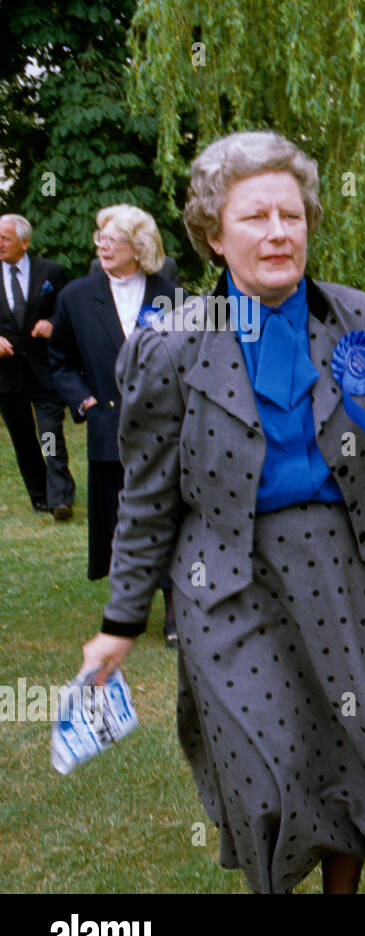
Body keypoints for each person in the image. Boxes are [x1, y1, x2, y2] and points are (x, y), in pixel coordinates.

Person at [78, 130, 365, 893]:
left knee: (357, 746)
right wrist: (121, 623)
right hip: (227, 576)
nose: (277, 232)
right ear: (213, 235)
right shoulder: (169, 348)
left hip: (347, 569)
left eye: (291, 215)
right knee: (267, 763)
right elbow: (147, 499)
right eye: (255, 217)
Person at [49, 205, 182, 643]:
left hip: (165, 431)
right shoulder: (73, 297)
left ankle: (175, 612)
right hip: (108, 428)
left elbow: (189, 354)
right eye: (99, 238)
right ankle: (128, 608)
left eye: (113, 239)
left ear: (139, 248)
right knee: (122, 520)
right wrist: (81, 400)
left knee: (168, 513)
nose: (102, 245)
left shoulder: (168, 291)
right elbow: (60, 361)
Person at [0, 214, 74, 519]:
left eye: (4, 238)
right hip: (6, 376)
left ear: (25, 242)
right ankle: (40, 496)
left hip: (45, 371)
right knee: (23, 438)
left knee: (50, 433)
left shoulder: (51, 272)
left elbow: (69, 314)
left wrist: (52, 324)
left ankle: (60, 499)